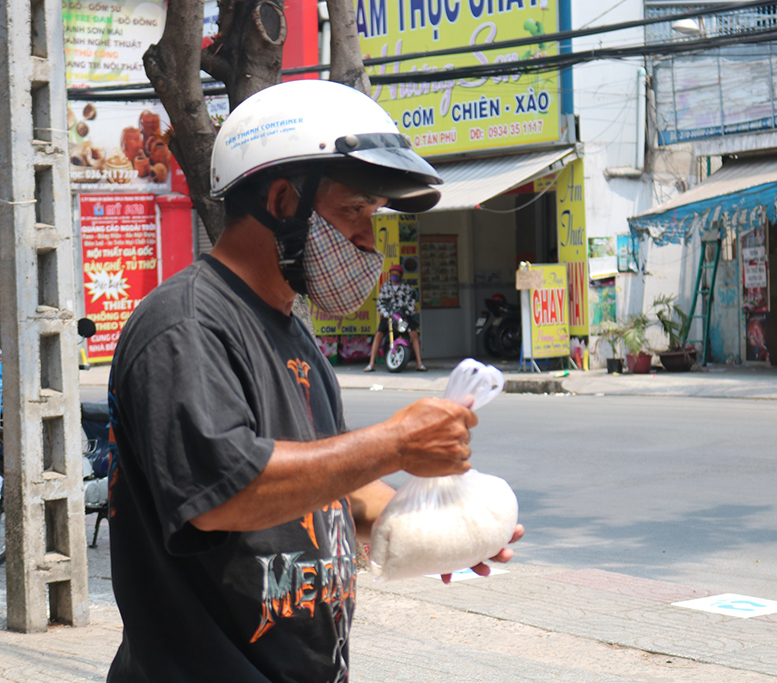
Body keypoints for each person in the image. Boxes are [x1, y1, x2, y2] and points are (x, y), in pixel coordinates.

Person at [105, 80, 523, 683]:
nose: (367, 238)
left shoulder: (293, 335)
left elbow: (329, 487)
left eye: (371, 216)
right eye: (353, 210)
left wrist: (441, 527)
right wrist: (395, 443)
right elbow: (224, 494)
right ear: (281, 200)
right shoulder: (186, 325)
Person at [364, 262, 426, 372]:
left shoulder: (406, 288)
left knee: (414, 334)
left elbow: (411, 303)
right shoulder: (385, 287)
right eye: (392, 274)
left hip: (403, 316)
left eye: (396, 274)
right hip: (388, 316)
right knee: (378, 335)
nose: (394, 277)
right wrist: (387, 314)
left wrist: (406, 313)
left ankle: (419, 363)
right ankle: (371, 364)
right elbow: (381, 303)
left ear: (400, 276)